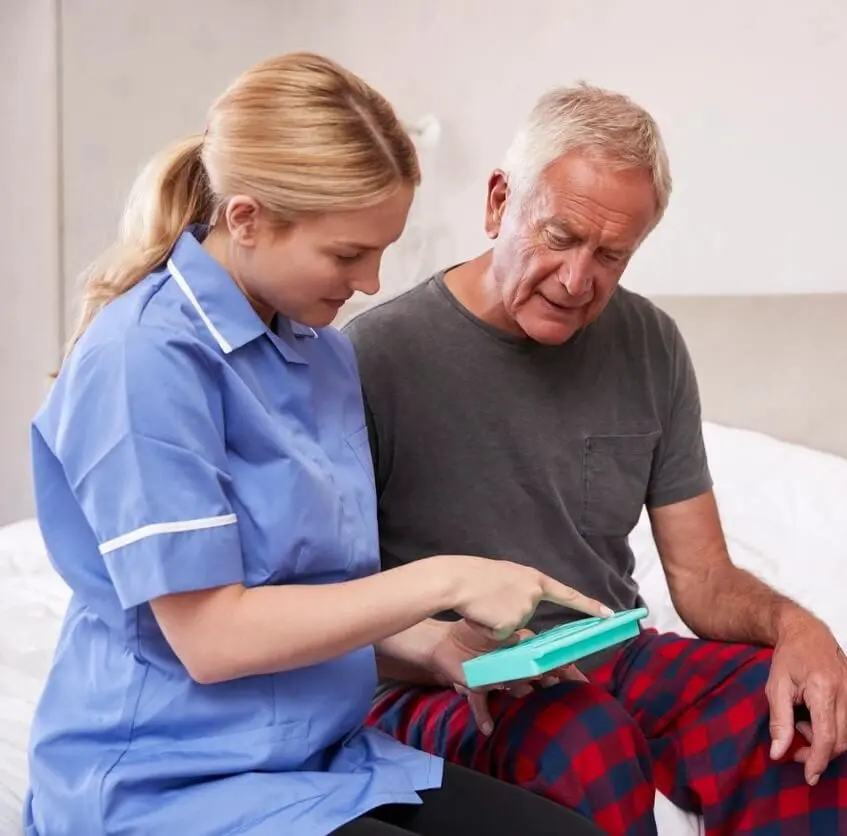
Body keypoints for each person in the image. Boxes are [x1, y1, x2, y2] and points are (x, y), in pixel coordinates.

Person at [23, 53, 612, 836]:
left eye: (381, 251)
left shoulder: (322, 353)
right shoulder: (145, 360)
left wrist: (435, 643)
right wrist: (452, 578)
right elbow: (211, 639)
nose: (371, 282)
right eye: (346, 255)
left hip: (317, 761)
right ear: (247, 219)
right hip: (166, 785)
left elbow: (300, 587)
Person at [343, 82, 847, 836]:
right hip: (442, 678)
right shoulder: (372, 357)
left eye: (611, 255)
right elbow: (330, 599)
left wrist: (796, 627)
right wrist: (439, 652)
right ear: (499, 203)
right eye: (560, 236)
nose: (577, 279)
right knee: (584, 736)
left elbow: (702, 578)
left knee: (791, 708)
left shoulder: (651, 345)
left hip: (605, 653)